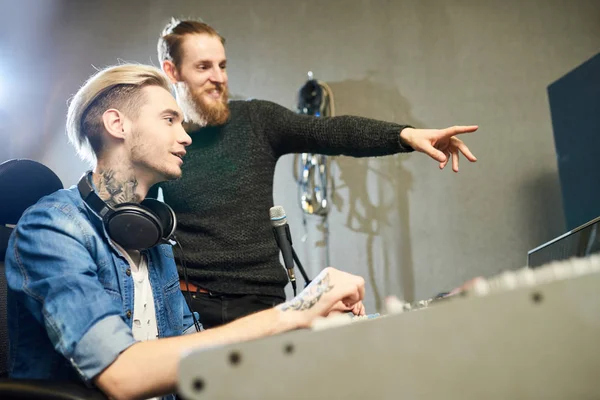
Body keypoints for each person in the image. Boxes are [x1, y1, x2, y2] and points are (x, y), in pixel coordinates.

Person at [5, 64, 367, 400]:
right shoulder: (52, 228)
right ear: (117, 124)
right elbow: (121, 374)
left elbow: (197, 355)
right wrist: (294, 311)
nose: (186, 137)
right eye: (169, 119)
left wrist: (311, 326)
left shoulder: (153, 239)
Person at [153, 18, 479, 328]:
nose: (219, 77)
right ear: (172, 71)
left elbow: (332, 132)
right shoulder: (159, 140)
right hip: (191, 306)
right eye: (203, 67)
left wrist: (405, 136)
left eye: (222, 66)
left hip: (263, 303)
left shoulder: (256, 120)